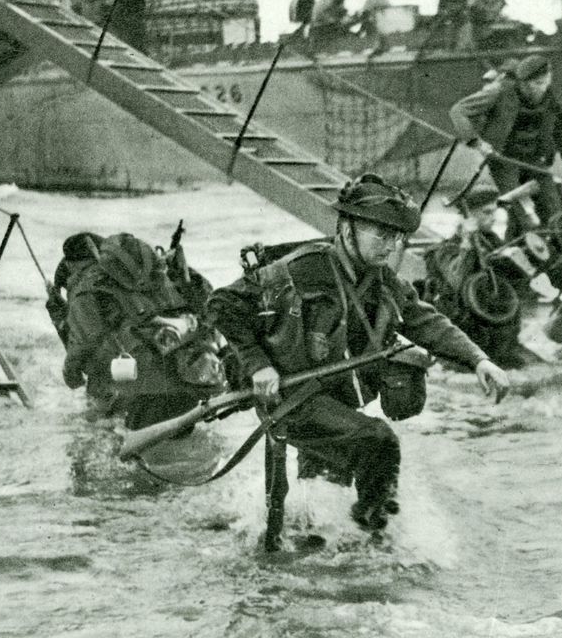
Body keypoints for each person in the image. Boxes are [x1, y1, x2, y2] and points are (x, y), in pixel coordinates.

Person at [206, 174, 509, 532]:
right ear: (347, 228)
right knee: (379, 441)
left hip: (332, 401)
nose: (390, 246)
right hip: (291, 399)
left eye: (396, 237)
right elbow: (222, 304)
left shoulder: (380, 279)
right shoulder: (303, 268)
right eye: (381, 234)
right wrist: (258, 366)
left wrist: (478, 359)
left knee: (322, 500)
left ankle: (320, 543)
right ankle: (374, 531)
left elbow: (422, 319)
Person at [60, 233, 224, 429]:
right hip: (195, 382)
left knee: (88, 432)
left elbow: (82, 347)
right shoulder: (159, 271)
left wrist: (71, 376)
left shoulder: (86, 291)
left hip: (138, 395)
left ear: (71, 265)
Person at [449, 54, 562, 240]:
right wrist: (477, 143)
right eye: (538, 83)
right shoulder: (499, 92)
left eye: (546, 82)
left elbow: (560, 128)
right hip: (505, 160)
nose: (543, 88)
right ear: (523, 83)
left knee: (556, 213)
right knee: (521, 215)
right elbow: (458, 111)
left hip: (535, 160)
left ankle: (558, 254)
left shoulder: (548, 95)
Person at [421, 186, 528, 370]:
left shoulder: (493, 243)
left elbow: (518, 288)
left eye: (495, 212)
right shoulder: (445, 250)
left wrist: (518, 263)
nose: (493, 217)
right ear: (468, 216)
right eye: (487, 212)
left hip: (499, 338)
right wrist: (467, 244)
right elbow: (456, 280)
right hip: (465, 341)